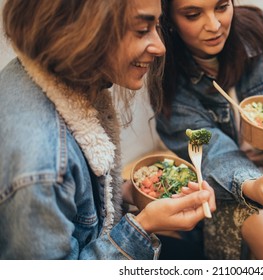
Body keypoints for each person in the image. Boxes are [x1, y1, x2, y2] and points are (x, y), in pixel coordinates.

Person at [0, 0, 215, 260]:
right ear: (80, 29)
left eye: (157, 26)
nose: (159, 46)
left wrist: (130, 193)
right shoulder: (41, 166)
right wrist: (142, 227)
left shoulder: (39, 73)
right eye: (140, 30)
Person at [149, 0, 263, 259]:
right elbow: (210, 151)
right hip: (225, 182)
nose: (215, 25)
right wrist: (250, 185)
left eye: (221, 6)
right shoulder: (169, 78)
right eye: (194, 14)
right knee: (255, 222)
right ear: (169, 20)